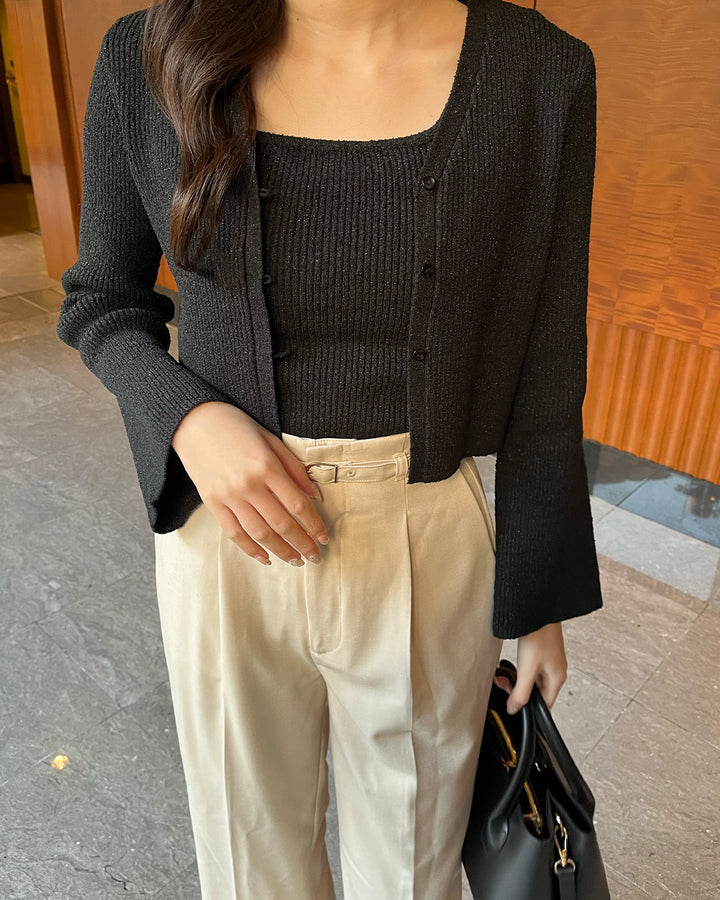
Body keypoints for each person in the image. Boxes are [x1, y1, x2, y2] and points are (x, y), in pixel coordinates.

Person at [57, 0, 603, 896]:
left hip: (428, 542)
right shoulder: (149, 56)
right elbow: (101, 300)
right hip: (226, 540)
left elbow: (549, 353)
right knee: (250, 867)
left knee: (414, 871)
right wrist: (189, 419)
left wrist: (537, 600)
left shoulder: (540, 74)